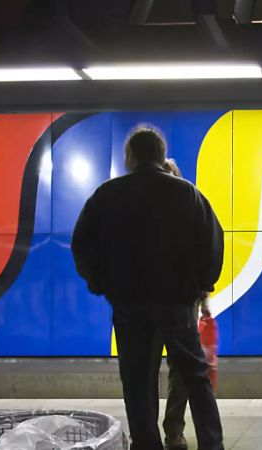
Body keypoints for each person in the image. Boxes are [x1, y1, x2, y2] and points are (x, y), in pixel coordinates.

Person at [72, 128, 225, 450]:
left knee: (138, 381)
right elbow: (213, 241)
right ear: (160, 155)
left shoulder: (107, 195)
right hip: (178, 303)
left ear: (130, 157)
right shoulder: (188, 194)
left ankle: (147, 444)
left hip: (129, 304)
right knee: (195, 378)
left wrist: (100, 283)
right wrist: (202, 285)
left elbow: (82, 244)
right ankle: (211, 444)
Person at [154, 159, 220, 450]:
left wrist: (204, 295)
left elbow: (205, 252)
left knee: (180, 370)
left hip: (179, 302)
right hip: (163, 302)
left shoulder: (191, 207)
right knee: (169, 369)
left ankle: (172, 430)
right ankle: (152, 433)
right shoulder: (150, 211)